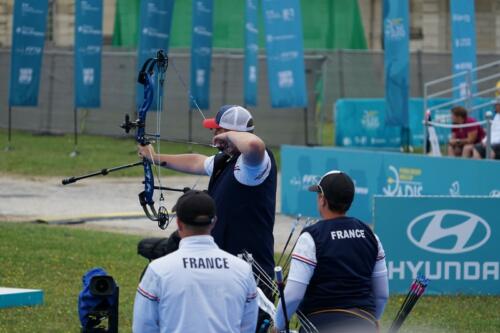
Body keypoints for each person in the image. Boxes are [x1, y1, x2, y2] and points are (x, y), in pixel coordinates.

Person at [138, 105, 277, 279]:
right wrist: (154, 157)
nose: (214, 134)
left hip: (250, 267)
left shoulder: (255, 164)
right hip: (224, 263)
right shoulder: (227, 159)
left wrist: (227, 135)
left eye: (217, 129)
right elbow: (196, 162)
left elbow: (254, 144)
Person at [273, 171, 389, 333]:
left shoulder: (311, 237)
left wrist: (277, 327)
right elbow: (382, 294)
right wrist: (371, 319)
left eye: (318, 194)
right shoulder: (371, 236)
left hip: (319, 326)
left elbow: (293, 296)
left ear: (322, 199)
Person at [132, 190, 258, 333]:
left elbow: (143, 327)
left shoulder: (158, 270)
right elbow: (248, 327)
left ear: (179, 223)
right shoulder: (242, 270)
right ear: (214, 222)